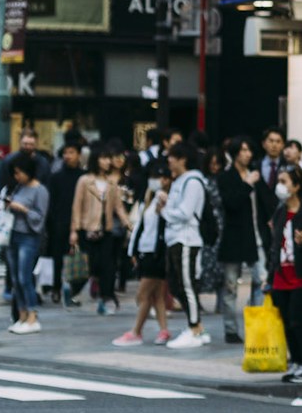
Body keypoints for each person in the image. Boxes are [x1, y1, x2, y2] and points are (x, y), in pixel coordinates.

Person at [214, 136, 271, 344]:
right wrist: (247, 185)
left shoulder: (255, 175)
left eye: (249, 150)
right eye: (243, 150)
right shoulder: (225, 177)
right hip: (234, 235)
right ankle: (230, 329)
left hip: (255, 235)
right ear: (235, 153)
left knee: (261, 280)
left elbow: (266, 202)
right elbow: (231, 204)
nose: (247, 154)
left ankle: (257, 324)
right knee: (230, 284)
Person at [267, 164, 302, 381]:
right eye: (279, 181)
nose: (280, 187)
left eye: (284, 182)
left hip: (301, 273)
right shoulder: (280, 211)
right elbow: (274, 245)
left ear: (296, 186)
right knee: (287, 320)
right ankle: (296, 360)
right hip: (281, 273)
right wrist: (269, 275)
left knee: (297, 318)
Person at [159, 141, 212, 349]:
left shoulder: (192, 182)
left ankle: (194, 328)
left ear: (183, 159)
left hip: (187, 239)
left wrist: (164, 211)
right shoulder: (179, 181)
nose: (169, 160)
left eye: (172, 156)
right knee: (175, 284)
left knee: (187, 284)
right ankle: (196, 326)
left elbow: (185, 213)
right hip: (175, 238)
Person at [114, 158, 173, 346]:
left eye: (161, 177)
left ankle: (136, 331)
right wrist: (133, 250)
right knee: (155, 296)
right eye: (154, 177)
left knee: (143, 295)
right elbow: (141, 226)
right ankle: (163, 331)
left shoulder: (167, 199)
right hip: (145, 252)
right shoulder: (148, 198)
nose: (157, 181)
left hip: (157, 253)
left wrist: (164, 207)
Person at [73, 144, 129, 314]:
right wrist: (74, 230)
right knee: (89, 265)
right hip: (87, 228)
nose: (107, 162)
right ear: (95, 160)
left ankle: (106, 299)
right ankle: (73, 288)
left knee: (108, 266)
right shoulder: (84, 181)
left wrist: (129, 225)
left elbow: (118, 207)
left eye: (108, 158)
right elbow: (77, 206)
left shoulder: (112, 183)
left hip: (106, 229)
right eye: (103, 158)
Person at [0, 153, 49, 334]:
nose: (16, 176)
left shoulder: (40, 190)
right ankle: (21, 315)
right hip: (13, 235)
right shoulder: (18, 187)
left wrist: (23, 209)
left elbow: (40, 218)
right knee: (15, 279)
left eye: (19, 172)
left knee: (24, 277)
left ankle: (32, 316)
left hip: (29, 237)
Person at [44, 142, 85, 305]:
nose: (68, 156)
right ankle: (56, 288)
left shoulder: (83, 177)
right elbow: (51, 201)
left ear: (79, 155)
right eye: (66, 153)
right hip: (59, 222)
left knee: (78, 256)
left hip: (79, 222)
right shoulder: (56, 177)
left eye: (72, 152)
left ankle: (74, 290)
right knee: (57, 258)